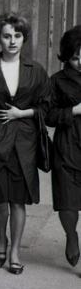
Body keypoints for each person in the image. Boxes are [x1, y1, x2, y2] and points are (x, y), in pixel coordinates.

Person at [0, 12, 51, 275]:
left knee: (18, 200)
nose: (12, 41)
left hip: (24, 145)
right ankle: (0, 237)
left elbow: (47, 106)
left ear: (23, 38)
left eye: (17, 36)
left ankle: (14, 249)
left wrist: (22, 114)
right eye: (6, 36)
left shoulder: (35, 71)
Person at [47, 25, 81, 267]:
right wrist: (74, 111)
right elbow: (47, 114)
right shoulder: (57, 81)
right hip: (68, 144)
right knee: (68, 202)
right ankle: (71, 235)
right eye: (75, 58)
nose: (79, 62)